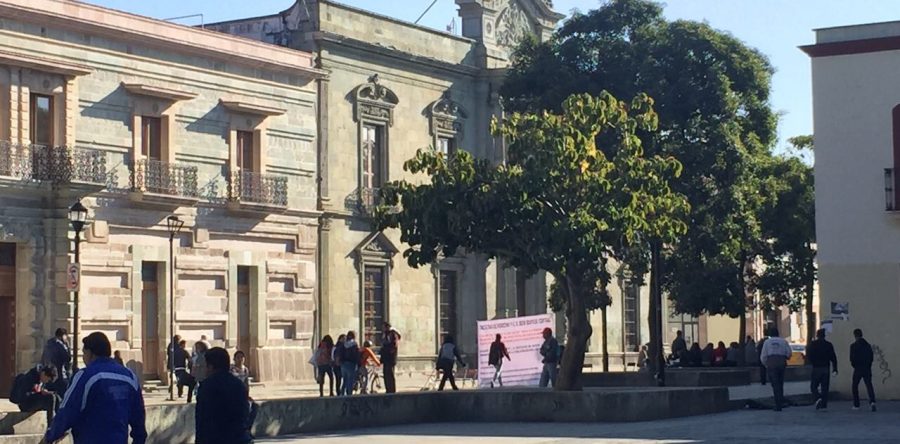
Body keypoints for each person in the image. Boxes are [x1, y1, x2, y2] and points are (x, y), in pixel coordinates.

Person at [44, 332, 147, 444]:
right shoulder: (129, 377)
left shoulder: (86, 376)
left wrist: (51, 436)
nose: (83, 358)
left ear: (90, 353)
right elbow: (139, 417)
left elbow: (68, 410)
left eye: (83, 353)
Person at [195, 347, 252, 444]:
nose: (204, 370)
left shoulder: (207, 386)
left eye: (205, 366)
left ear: (211, 367)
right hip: (239, 438)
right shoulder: (239, 385)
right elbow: (244, 413)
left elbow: (203, 420)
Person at [760, 327, 792, 411]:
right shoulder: (783, 341)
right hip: (781, 362)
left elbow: (763, 356)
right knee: (780, 383)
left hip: (771, 363)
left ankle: (777, 403)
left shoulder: (767, 342)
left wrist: (766, 365)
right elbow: (789, 353)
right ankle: (780, 400)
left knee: (775, 384)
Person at [806, 328, 838, 410]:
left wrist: (812, 362)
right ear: (824, 336)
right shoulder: (828, 345)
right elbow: (833, 358)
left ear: (817, 335)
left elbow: (809, 355)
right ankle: (824, 404)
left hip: (816, 368)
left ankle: (818, 398)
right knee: (825, 387)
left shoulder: (813, 344)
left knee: (813, 386)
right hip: (826, 368)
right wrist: (835, 368)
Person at [230, 350, 258, 436]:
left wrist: (247, 395)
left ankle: (248, 428)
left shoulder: (245, 369)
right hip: (233, 395)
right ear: (234, 359)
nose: (240, 359)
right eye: (238, 357)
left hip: (242, 395)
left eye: (242, 357)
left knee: (254, 406)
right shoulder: (231, 369)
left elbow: (246, 383)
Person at [850, 328, 877, 412]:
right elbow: (871, 357)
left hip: (858, 368)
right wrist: (868, 365)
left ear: (855, 335)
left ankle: (856, 404)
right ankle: (872, 402)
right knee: (869, 385)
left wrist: (855, 365)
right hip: (866, 368)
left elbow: (852, 358)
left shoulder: (853, 346)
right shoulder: (867, 345)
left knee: (855, 386)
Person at [380, 322, 402, 394]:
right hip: (385, 358)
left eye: (384, 327)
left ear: (387, 327)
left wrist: (387, 350)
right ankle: (388, 389)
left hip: (390, 358)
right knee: (386, 374)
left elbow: (393, 346)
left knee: (390, 374)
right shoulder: (385, 335)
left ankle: (392, 390)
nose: (382, 329)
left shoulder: (392, 334)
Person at [339, 331, 360, 396]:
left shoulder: (344, 344)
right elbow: (357, 355)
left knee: (345, 380)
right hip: (351, 364)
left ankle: (342, 393)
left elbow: (340, 353)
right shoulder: (354, 344)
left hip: (343, 364)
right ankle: (349, 394)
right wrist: (358, 363)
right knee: (350, 380)